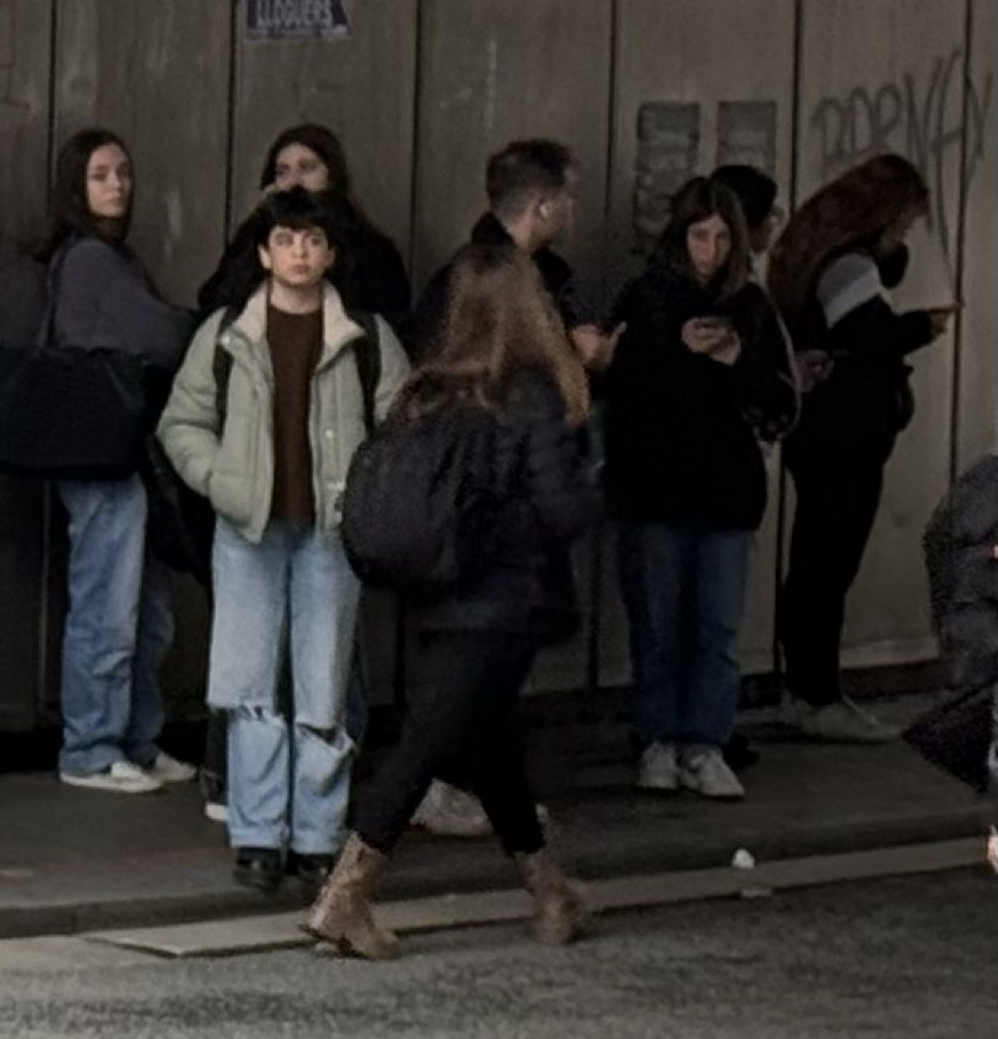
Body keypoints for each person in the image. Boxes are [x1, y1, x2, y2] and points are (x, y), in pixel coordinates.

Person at [307, 243, 605, 960]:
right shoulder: (527, 390)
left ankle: (549, 890)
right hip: (503, 603)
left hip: (436, 595)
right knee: (424, 746)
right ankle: (344, 896)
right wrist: (595, 476)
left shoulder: (427, 390)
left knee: (490, 745)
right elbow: (562, 510)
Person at [159, 189, 403, 894]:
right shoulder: (228, 333)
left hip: (331, 531)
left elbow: (402, 426)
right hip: (248, 528)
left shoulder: (364, 334)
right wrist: (222, 482)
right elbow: (182, 422)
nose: (300, 252)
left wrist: (365, 497)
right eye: (288, 239)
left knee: (323, 681)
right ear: (265, 252)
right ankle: (259, 835)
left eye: (314, 241)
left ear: (331, 254)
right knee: (249, 684)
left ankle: (319, 837)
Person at [605, 178, 790, 795]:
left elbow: (780, 401)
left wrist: (737, 358)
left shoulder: (752, 308)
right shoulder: (646, 301)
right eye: (698, 236)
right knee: (658, 625)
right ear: (679, 239)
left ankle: (704, 741)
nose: (709, 251)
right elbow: (615, 387)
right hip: (655, 488)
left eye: (720, 238)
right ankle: (659, 737)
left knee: (715, 628)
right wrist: (668, 351)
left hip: (724, 494)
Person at [765, 151, 948, 742]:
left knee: (813, 561)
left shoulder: (811, 253)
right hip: (846, 434)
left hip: (816, 431)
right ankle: (817, 693)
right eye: (903, 224)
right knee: (828, 565)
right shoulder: (847, 267)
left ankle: (805, 689)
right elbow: (868, 337)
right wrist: (924, 326)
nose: (905, 236)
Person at [37, 127, 198, 794]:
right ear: (76, 186)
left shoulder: (106, 257)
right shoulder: (92, 261)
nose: (116, 185)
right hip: (103, 454)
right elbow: (160, 335)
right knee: (110, 602)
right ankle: (92, 747)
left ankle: (132, 736)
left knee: (143, 604)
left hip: (118, 451)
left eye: (124, 173)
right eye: (101, 174)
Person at [413, 138, 613, 368]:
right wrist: (573, 355)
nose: (572, 208)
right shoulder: (473, 281)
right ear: (544, 207)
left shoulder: (549, 274)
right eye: (567, 197)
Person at [194, 122, 414, 329]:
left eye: (307, 168)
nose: (293, 182)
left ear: (332, 175)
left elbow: (388, 325)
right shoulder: (254, 239)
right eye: (282, 172)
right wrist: (258, 226)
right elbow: (215, 305)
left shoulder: (373, 249)